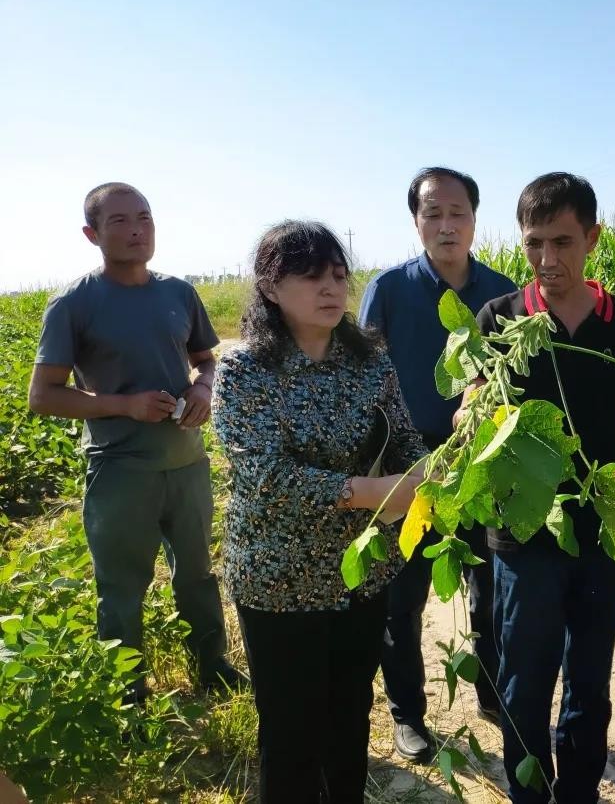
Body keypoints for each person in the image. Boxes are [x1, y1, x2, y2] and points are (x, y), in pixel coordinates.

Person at [212, 220, 427, 803]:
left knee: (349, 720)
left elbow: (404, 436)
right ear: (271, 287)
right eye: (311, 276)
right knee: (290, 732)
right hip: (279, 579)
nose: (331, 288)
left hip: (361, 572)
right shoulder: (245, 370)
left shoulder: (369, 360)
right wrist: (370, 492)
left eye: (338, 275)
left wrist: (427, 474)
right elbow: (264, 475)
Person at [464, 173, 615, 803]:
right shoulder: (500, 319)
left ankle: (577, 791)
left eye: (564, 242)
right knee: (524, 678)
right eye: (534, 244)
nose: (549, 260)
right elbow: (472, 418)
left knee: (590, 676)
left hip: (601, 524)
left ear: (593, 238)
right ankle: (529, 793)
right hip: (523, 531)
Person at [28, 182, 241, 700]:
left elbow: (206, 358)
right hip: (120, 468)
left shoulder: (177, 293)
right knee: (122, 587)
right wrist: (124, 405)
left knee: (197, 574)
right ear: (91, 233)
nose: (135, 229)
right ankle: (128, 694)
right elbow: (43, 395)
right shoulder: (73, 305)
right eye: (119, 221)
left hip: (186, 462)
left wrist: (202, 388)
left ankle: (212, 667)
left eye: (143, 217)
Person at [359, 167, 513, 762]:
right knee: (404, 596)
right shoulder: (391, 289)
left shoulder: (501, 290)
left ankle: (492, 694)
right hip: (410, 467)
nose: (446, 226)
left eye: (458, 213)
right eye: (432, 214)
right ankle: (407, 712)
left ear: (475, 218)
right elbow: (365, 380)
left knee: (488, 587)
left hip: (481, 461)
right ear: (416, 221)